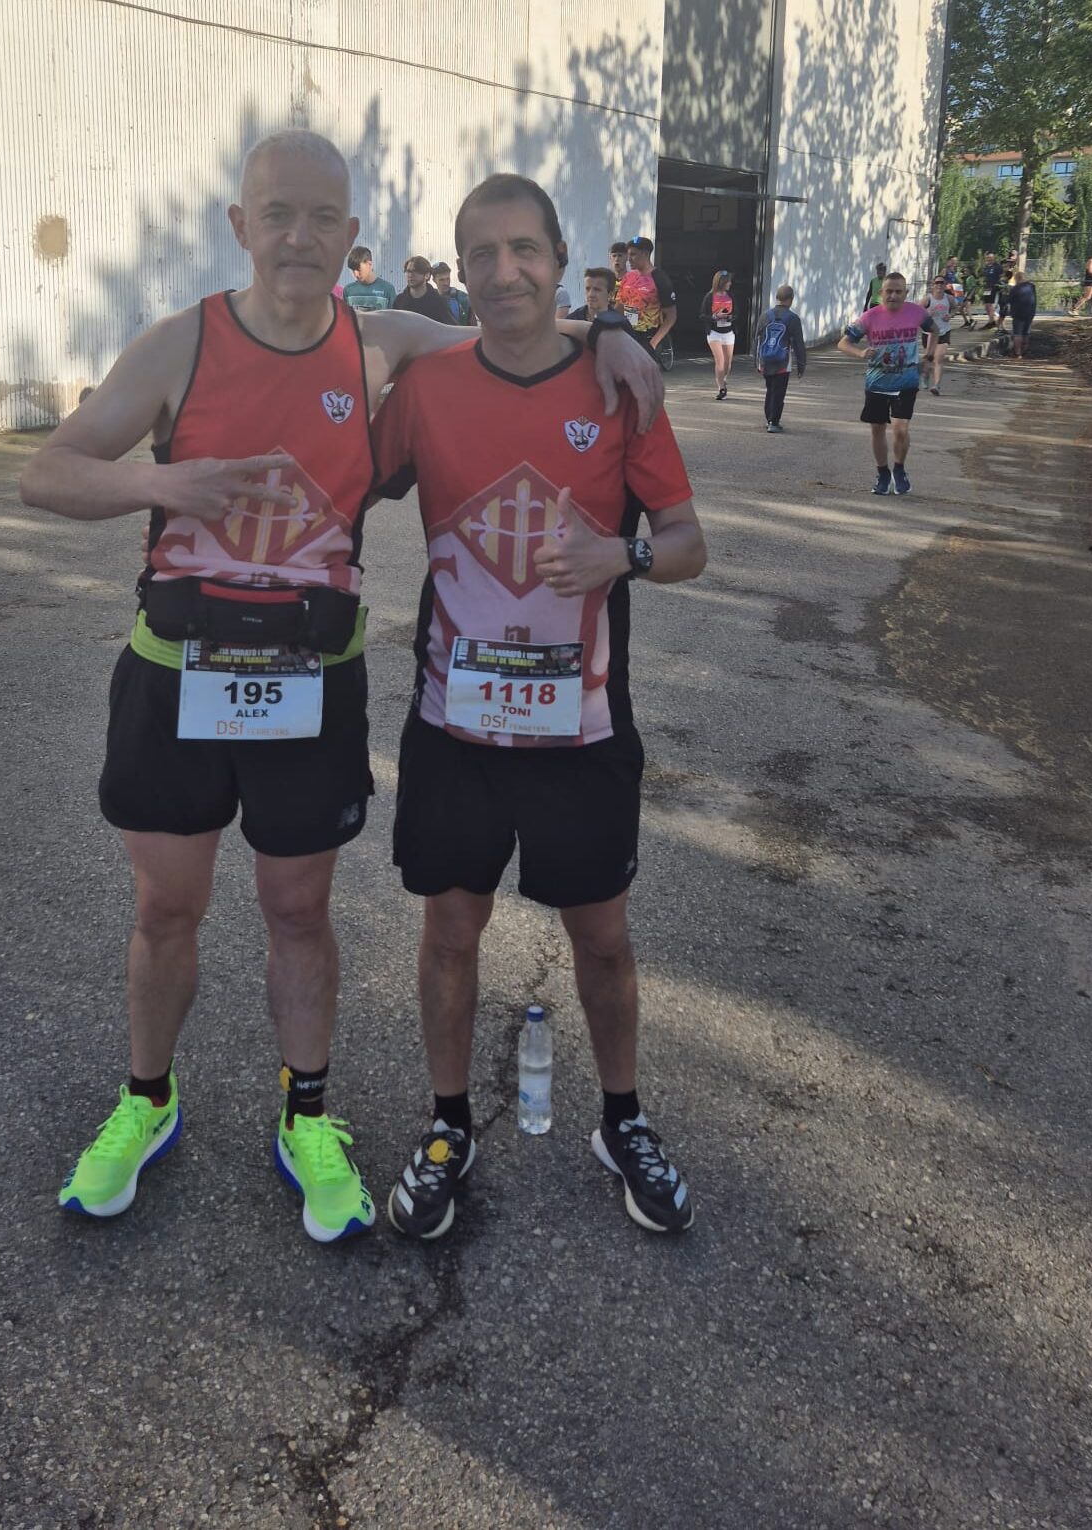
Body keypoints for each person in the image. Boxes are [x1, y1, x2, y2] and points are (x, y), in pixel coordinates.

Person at [18, 130, 661, 1241]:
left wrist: (609, 331)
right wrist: (166, 482)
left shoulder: (380, 343)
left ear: (352, 234)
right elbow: (47, 472)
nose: (299, 237)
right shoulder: (181, 343)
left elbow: (512, 328)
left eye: (323, 218)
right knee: (166, 908)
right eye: (277, 214)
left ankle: (307, 1114)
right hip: (176, 675)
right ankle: (146, 1101)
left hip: (308, 681)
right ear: (240, 225)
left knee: (297, 909)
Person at [370, 172, 707, 1241]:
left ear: (561, 262)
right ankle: (448, 1125)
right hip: (454, 727)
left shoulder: (618, 386)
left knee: (601, 937)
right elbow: (341, 476)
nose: (505, 270)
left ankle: (623, 1120)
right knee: (450, 931)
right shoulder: (429, 386)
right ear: (460, 270)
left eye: (526, 249)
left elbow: (689, 544)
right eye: (483, 252)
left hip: (582, 731)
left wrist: (623, 554)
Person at [837, 270, 936, 497]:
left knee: (901, 429)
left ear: (906, 293)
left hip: (907, 381)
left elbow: (935, 330)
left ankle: (899, 470)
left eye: (898, 292)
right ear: (881, 292)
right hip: (877, 383)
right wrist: (860, 353)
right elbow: (843, 343)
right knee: (878, 429)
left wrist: (929, 357)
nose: (893, 296)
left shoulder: (916, 312)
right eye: (889, 291)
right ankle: (882, 473)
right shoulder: (869, 317)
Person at [754, 283, 806, 432]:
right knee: (779, 391)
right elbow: (798, 344)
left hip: (766, 360)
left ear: (777, 297)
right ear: (791, 299)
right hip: (783, 361)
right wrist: (801, 365)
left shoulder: (765, 316)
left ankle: (769, 419)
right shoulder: (793, 318)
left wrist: (756, 361)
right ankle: (773, 421)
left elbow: (757, 339)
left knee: (770, 389)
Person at [616, 236, 677, 362]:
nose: (629, 259)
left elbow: (671, 316)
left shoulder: (660, 278)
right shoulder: (628, 277)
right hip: (626, 335)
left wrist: (653, 343)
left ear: (645, 254)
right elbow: (620, 306)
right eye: (628, 255)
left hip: (647, 338)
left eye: (633, 254)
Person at [701, 269, 736, 399]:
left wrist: (730, 317)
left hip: (728, 332)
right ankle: (721, 388)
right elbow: (702, 314)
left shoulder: (731, 296)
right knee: (719, 360)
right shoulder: (709, 296)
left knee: (727, 362)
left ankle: (723, 379)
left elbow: (737, 313)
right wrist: (715, 317)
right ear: (721, 282)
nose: (730, 283)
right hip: (714, 333)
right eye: (728, 281)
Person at [394, 255, 457, 323]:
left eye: (416, 271)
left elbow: (451, 326)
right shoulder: (399, 301)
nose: (410, 275)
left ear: (427, 275)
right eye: (408, 271)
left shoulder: (438, 302)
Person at [921, 272, 953, 394]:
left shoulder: (949, 298)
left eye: (942, 283)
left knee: (938, 359)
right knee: (928, 358)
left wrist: (950, 315)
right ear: (933, 285)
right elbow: (917, 311)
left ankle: (936, 385)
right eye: (937, 283)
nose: (939, 285)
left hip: (944, 331)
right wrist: (926, 314)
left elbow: (956, 308)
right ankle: (925, 375)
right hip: (929, 333)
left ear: (945, 285)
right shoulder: (927, 299)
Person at [342, 245, 396, 311]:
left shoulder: (388, 290)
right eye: (353, 270)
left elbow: (393, 316)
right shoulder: (348, 291)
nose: (356, 274)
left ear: (369, 264)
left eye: (359, 269)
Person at [1008, 269, 1038, 357]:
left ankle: (1017, 352)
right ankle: (1025, 350)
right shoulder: (1032, 286)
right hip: (1030, 312)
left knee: (1018, 333)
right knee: (1026, 333)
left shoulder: (1015, 289)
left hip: (1018, 313)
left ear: (1017, 279)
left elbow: (1009, 299)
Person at [980, 250, 1002, 328]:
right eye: (988, 257)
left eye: (991, 257)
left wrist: (999, 286)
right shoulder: (986, 267)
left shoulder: (997, 267)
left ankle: (991, 322)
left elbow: (1001, 277)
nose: (989, 259)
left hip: (994, 288)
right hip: (987, 288)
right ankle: (991, 321)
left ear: (994, 257)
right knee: (986, 306)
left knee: (991, 305)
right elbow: (983, 277)